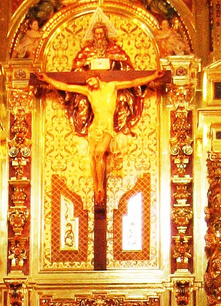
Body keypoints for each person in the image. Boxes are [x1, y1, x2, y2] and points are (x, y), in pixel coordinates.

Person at [41, 68, 160, 204]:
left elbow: (133, 81)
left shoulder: (112, 86)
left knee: (99, 153)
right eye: (87, 82)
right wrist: (47, 79)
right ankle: (96, 188)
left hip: (107, 128)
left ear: (97, 77)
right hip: (94, 128)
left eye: (90, 80)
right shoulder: (89, 92)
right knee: (93, 157)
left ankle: (100, 189)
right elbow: (66, 86)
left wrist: (153, 76)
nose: (89, 84)